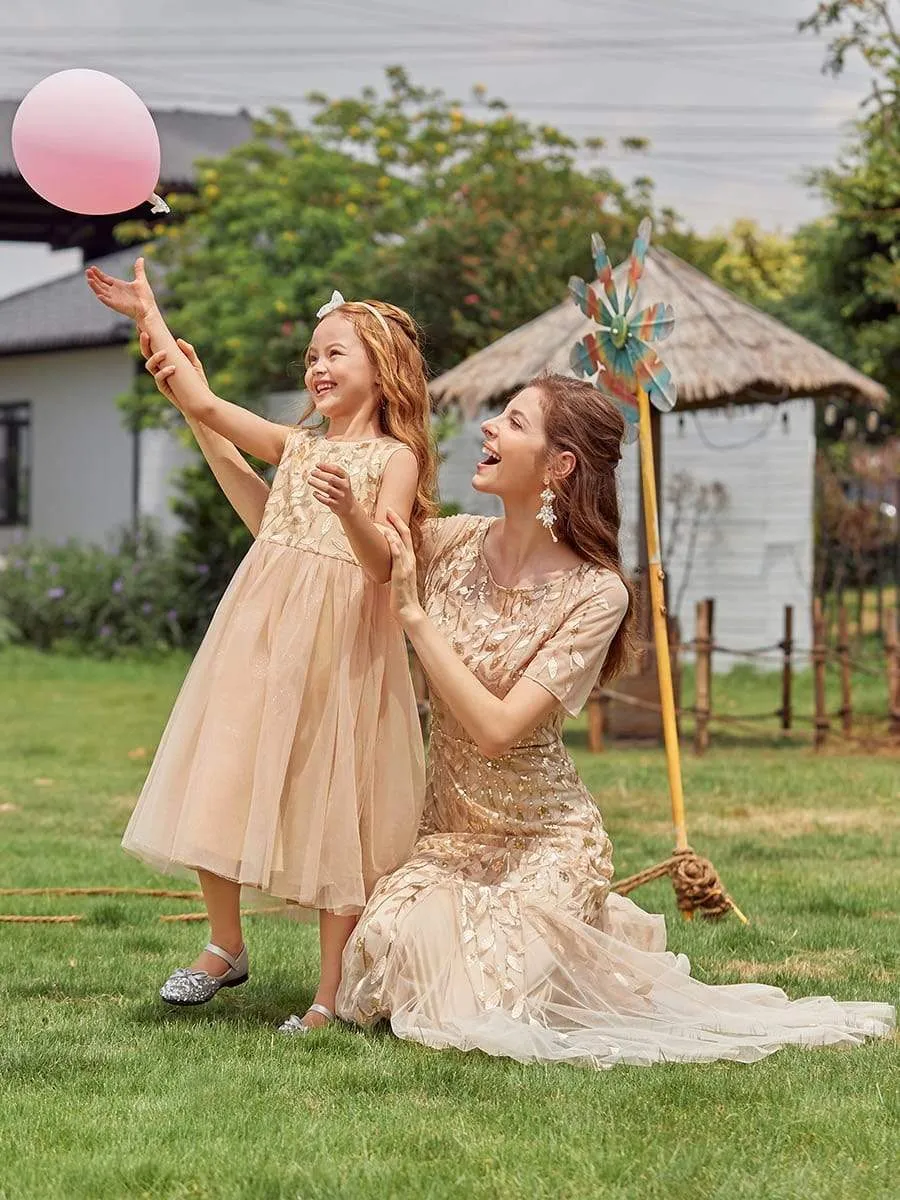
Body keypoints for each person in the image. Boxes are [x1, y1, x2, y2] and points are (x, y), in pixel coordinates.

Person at [335, 372, 894, 1067]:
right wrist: (209, 417)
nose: (488, 429)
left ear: (559, 464)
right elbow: (360, 542)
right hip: (449, 839)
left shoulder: (595, 594)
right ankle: (592, 942)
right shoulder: (447, 543)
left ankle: (577, 931)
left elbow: (499, 730)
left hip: (546, 840)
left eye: (512, 422)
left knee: (473, 1005)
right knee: (388, 955)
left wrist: (416, 620)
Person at [85, 261, 437, 1033]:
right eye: (311, 355)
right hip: (260, 633)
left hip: (340, 647)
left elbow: (383, 565)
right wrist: (149, 313)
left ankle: (330, 991)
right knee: (224, 764)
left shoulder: (393, 459)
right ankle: (225, 943)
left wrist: (350, 511)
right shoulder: (298, 445)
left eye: (334, 352)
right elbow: (202, 401)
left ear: (382, 368)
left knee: (336, 801)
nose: (316, 366)